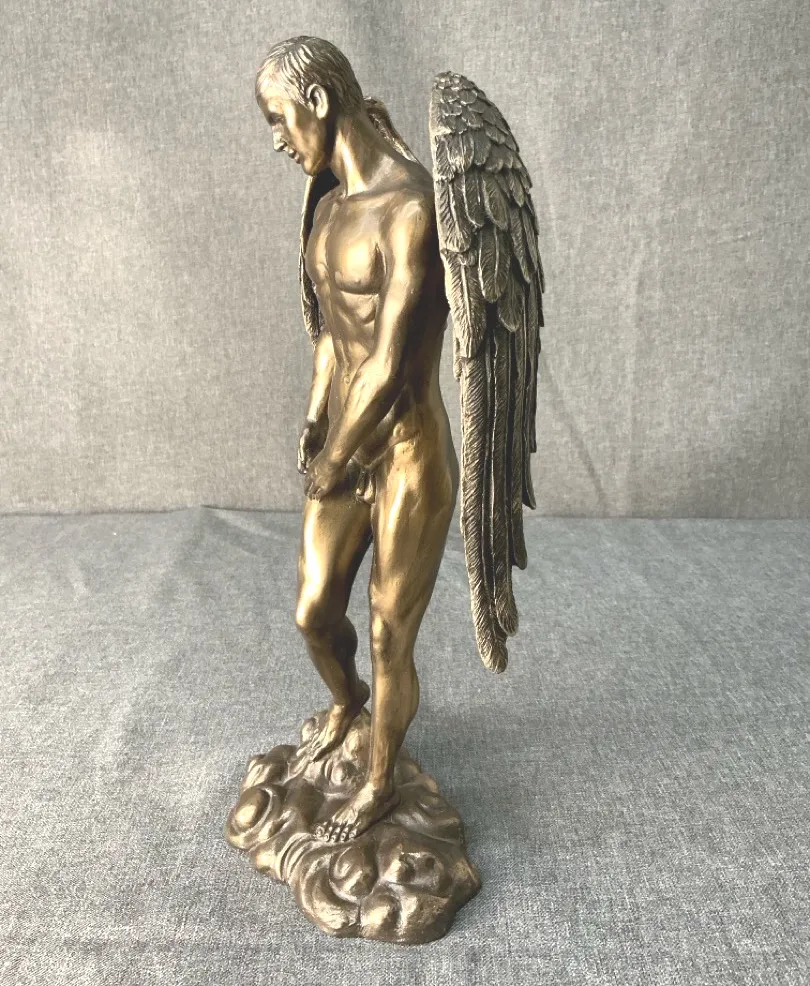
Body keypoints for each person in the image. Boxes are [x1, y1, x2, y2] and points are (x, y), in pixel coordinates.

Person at [255, 36, 458, 843]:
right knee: (313, 612)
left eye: (279, 119)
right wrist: (316, 417)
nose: (278, 140)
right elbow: (333, 341)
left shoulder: (413, 208)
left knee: (386, 631)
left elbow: (389, 361)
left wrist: (336, 455)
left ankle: (377, 783)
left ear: (317, 101)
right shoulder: (329, 208)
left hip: (407, 453)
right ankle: (349, 706)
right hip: (343, 442)